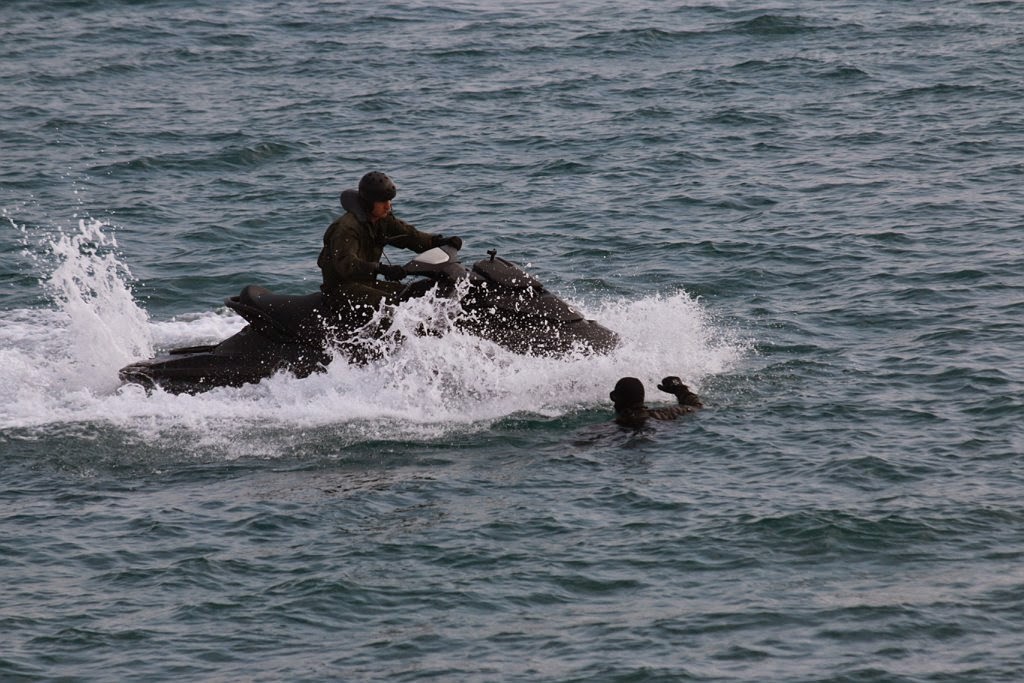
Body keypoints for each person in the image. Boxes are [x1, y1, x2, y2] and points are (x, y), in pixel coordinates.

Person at [317, 171, 463, 322]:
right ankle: (389, 344)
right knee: (394, 307)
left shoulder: (381, 220)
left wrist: (438, 241)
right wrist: (381, 268)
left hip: (365, 283)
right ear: (368, 202)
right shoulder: (347, 228)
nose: (388, 206)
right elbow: (346, 265)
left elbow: (409, 236)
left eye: (389, 201)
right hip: (341, 289)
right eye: (383, 202)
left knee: (416, 294)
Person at [610, 375, 702, 429]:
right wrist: (680, 390)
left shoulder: (615, 425)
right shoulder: (665, 414)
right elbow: (697, 406)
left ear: (616, 398)